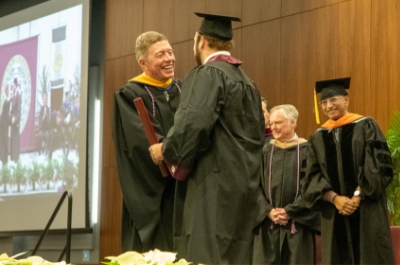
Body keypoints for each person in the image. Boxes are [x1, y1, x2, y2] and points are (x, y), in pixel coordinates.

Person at [149, 13, 264, 264]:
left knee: (207, 254)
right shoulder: (248, 83)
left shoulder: (207, 74)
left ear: (200, 41)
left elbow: (193, 125)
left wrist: (166, 150)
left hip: (213, 188)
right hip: (245, 189)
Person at [301, 77, 395, 264]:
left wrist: (357, 195)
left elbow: (378, 165)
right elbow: (311, 176)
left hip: (366, 208)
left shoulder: (366, 126)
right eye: (324, 102)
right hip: (334, 211)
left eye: (333, 100)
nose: (328, 106)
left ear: (346, 100)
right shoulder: (317, 138)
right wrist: (335, 199)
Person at [112, 31, 181, 253]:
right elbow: (139, 140)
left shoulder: (184, 88)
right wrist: (171, 151)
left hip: (185, 185)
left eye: (170, 52)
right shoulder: (129, 93)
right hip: (154, 188)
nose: (169, 59)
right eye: (160, 54)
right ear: (143, 62)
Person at [252, 104, 320, 264]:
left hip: (297, 225)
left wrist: (290, 211)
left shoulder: (308, 150)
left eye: (279, 123)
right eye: (272, 123)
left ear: (293, 122)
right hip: (268, 225)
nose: (273, 127)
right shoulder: (265, 151)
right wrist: (268, 211)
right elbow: (254, 185)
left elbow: (313, 187)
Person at [10, 78, 21, 162]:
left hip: (16, 120)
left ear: (16, 85)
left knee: (16, 139)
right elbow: (12, 108)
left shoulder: (18, 95)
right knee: (12, 138)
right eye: (11, 86)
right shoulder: (13, 95)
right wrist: (11, 116)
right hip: (12, 119)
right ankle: (13, 157)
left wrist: (15, 118)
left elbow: (18, 109)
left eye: (13, 86)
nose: (12, 87)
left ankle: (16, 158)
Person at [0, 85, 11, 165]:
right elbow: (7, 115)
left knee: (3, 142)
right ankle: (4, 160)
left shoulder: (4, 100)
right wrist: (11, 120)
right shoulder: (6, 101)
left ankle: (2, 159)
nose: (9, 92)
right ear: (6, 91)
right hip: (4, 125)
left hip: (2, 124)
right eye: (8, 91)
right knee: (4, 142)